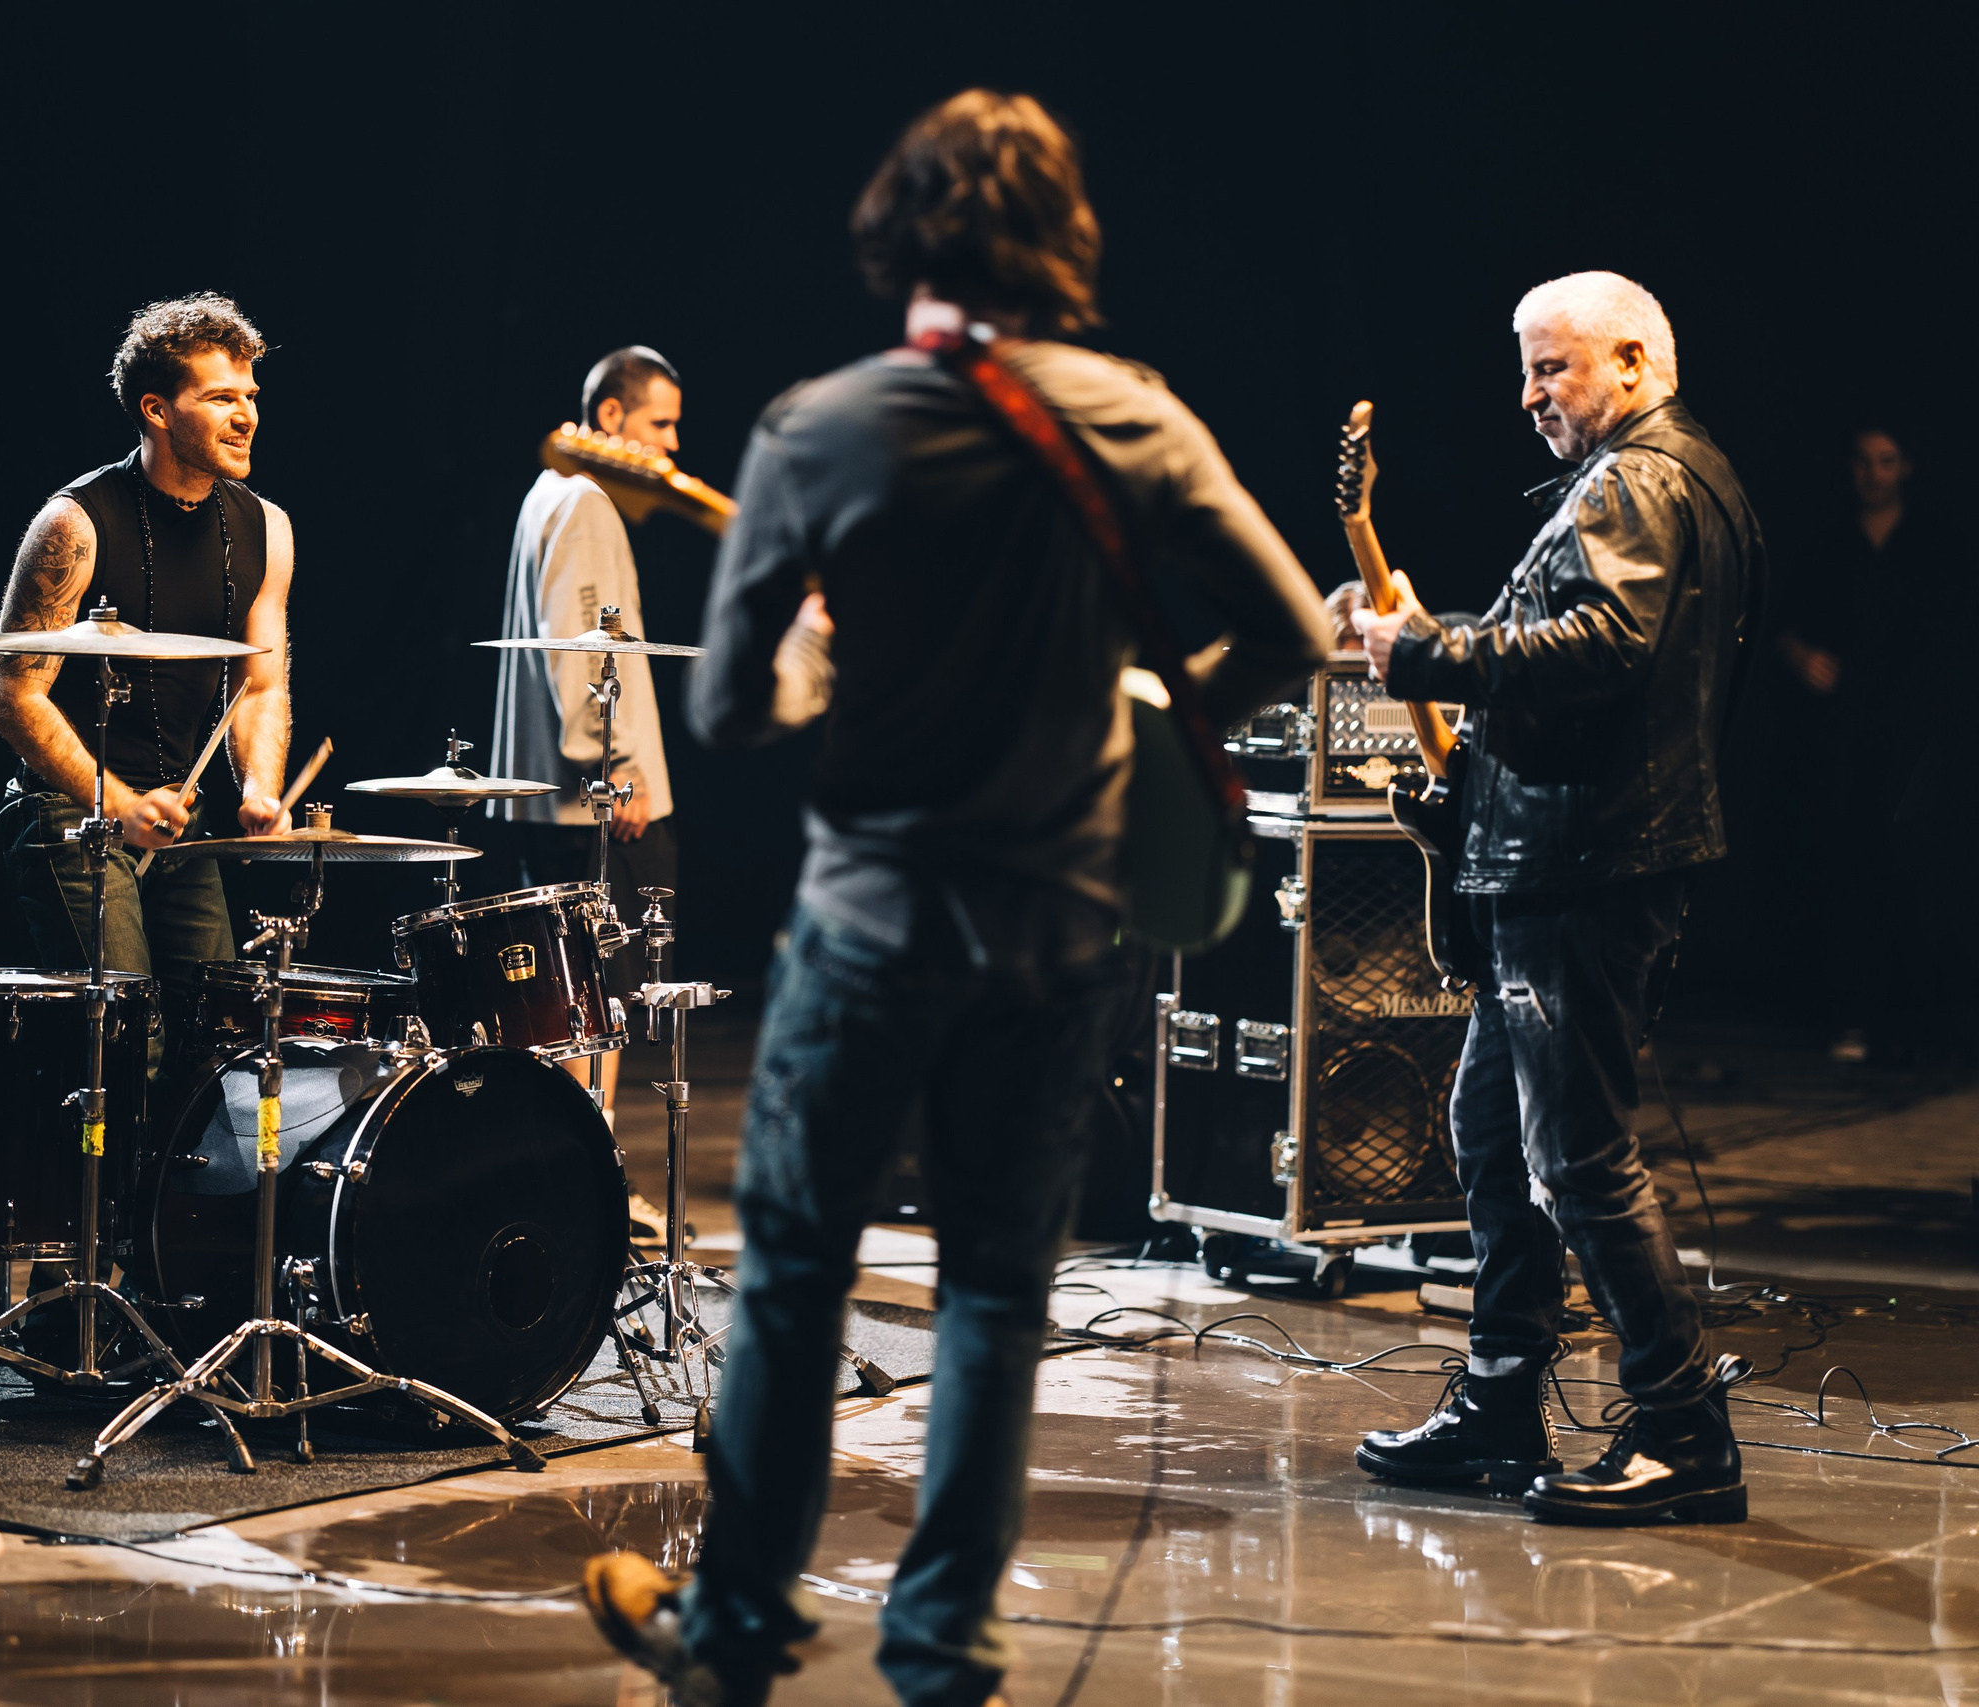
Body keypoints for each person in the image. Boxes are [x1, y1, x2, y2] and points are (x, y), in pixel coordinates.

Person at [581, 91, 1327, 1707]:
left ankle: (735, 1637)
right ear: (1064, 240)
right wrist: (1138, 725)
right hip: (1063, 927)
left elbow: (717, 719)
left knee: (795, 1276)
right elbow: (1293, 630)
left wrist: (805, 676)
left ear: (894, 236)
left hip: (870, 923)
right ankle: (943, 1656)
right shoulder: (1135, 414)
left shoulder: (817, 427)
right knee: (998, 1288)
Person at [1348, 271, 1767, 1524]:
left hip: (1586, 866)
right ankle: (1497, 1397)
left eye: (1553, 368)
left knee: (1573, 1157)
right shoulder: (1664, 476)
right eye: (1525, 368)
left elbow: (1600, 646)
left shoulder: (1638, 478)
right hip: (1574, 858)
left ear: (1633, 364)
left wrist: (1422, 654)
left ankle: (1684, 1431)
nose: (1527, 395)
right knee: (1488, 1129)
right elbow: (1582, 640)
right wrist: (1433, 637)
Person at [0, 293, 294, 1075]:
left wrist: (261, 786)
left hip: (176, 808)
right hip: (72, 808)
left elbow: (257, 686)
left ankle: (178, 1202)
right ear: (157, 409)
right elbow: (13, 694)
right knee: (128, 1041)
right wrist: (119, 806)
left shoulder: (267, 527)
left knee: (216, 1039)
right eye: (221, 398)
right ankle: (99, 1198)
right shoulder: (76, 524)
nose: (246, 416)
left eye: (250, 396)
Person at [1772, 426, 1958, 1062]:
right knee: (1841, 867)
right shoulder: (1827, 547)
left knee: (1914, 871)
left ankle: (1920, 1023)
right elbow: (1781, 623)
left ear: (1906, 467)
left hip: (1915, 739)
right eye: (1864, 462)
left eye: (1887, 462)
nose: (1874, 475)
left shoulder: (1937, 547)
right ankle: (1849, 1017)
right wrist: (1800, 657)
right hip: (1840, 735)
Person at [489, 345, 684, 944]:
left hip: (560, 805)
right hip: (598, 806)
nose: (672, 443)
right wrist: (616, 766)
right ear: (609, 416)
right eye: (660, 423)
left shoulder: (549, 492)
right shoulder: (584, 503)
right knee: (610, 1011)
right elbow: (582, 650)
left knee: (573, 1010)